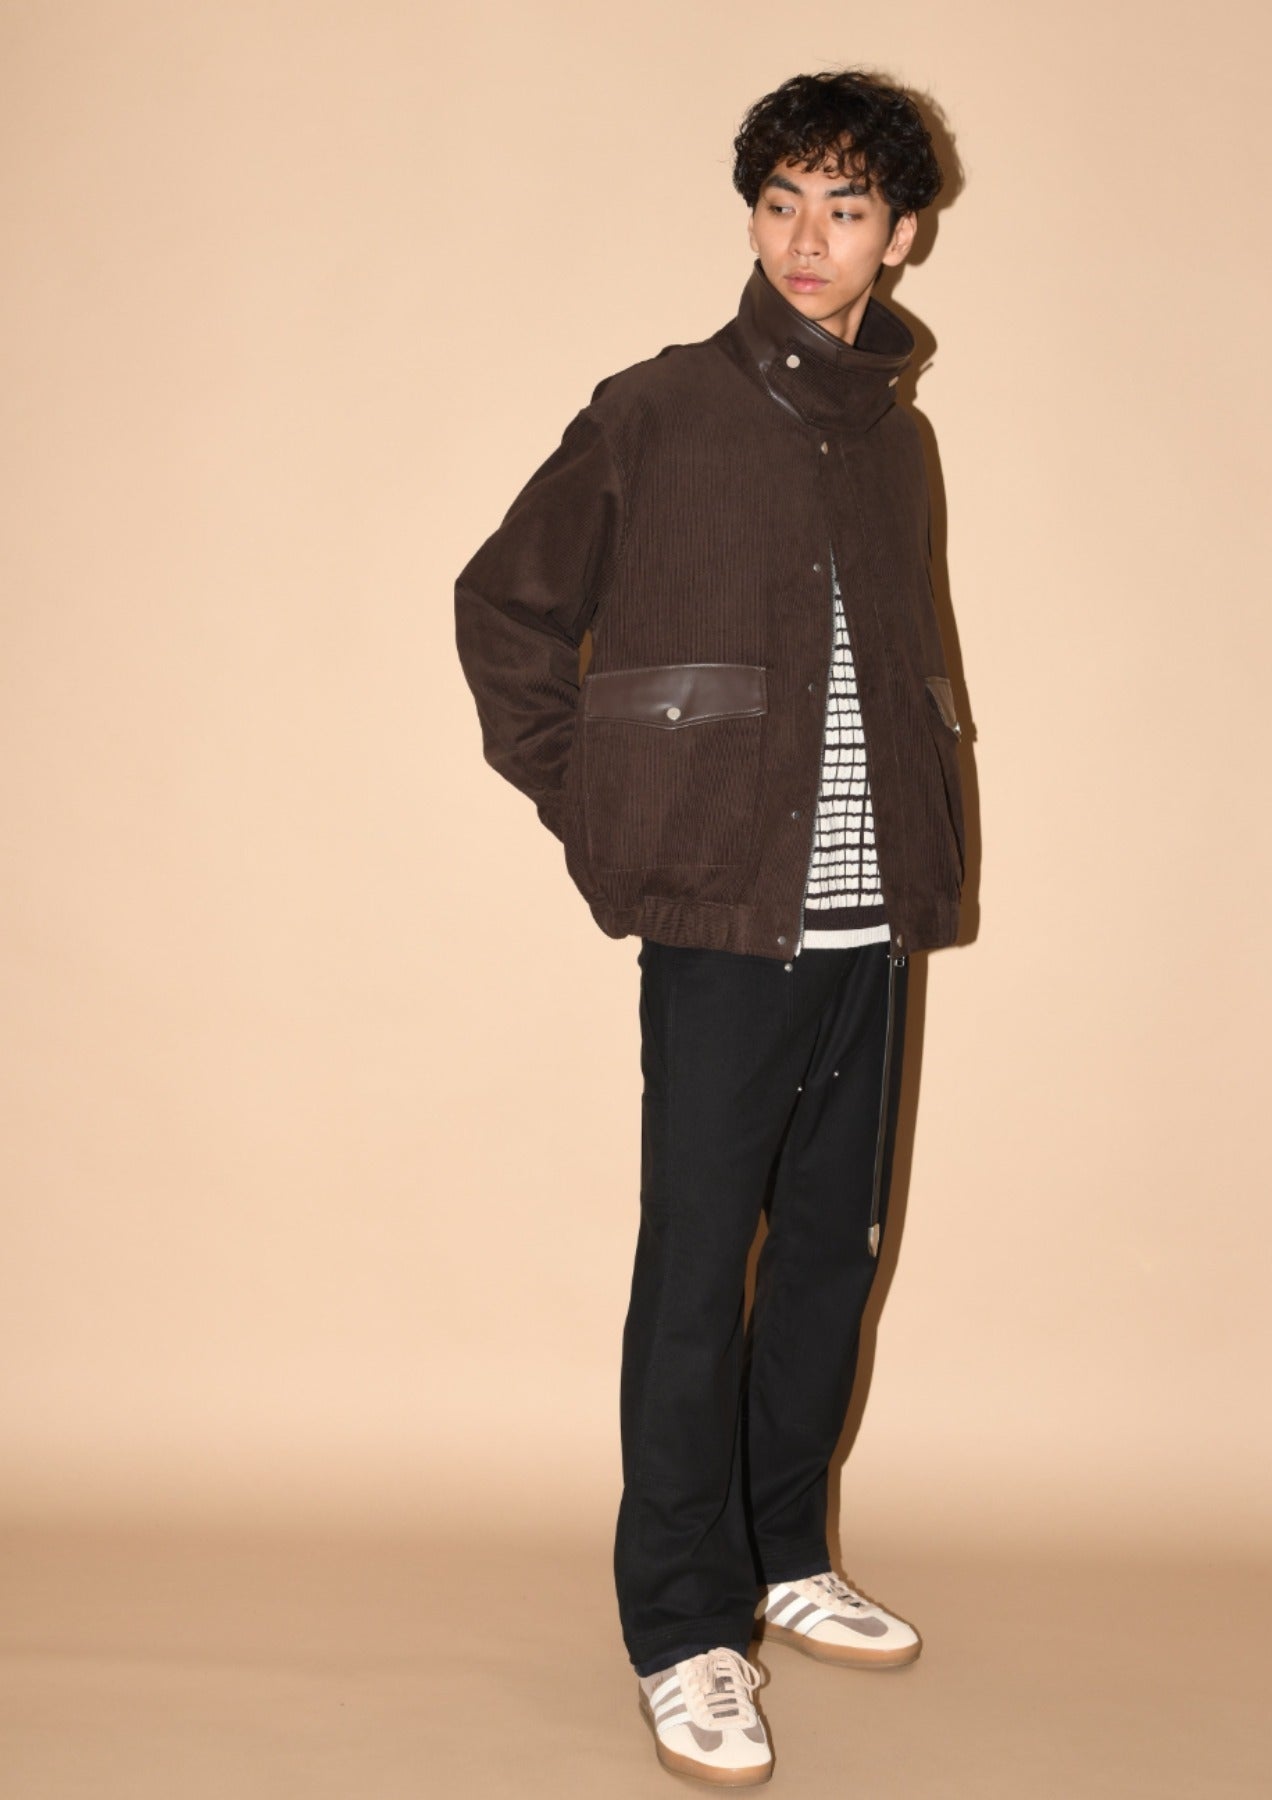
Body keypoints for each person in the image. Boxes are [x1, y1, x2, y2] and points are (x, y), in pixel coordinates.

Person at [454, 67, 966, 1787]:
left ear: (903, 235)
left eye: (845, 209)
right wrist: (606, 811)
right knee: (698, 1272)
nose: (808, 240)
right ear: (752, 215)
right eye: (780, 203)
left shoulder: (897, 441)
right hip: (725, 923)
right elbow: (506, 610)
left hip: (871, 919)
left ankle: (783, 1549)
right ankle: (684, 1627)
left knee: (830, 1254)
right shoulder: (660, 409)